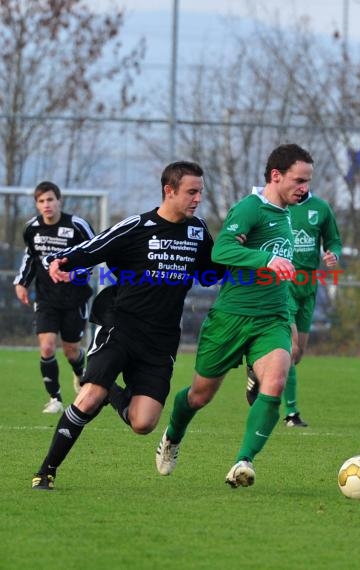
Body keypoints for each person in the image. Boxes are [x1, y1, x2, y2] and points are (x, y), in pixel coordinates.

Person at [31, 160, 224, 490]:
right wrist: (59, 262)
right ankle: (47, 470)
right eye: (191, 192)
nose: (197, 198)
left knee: (143, 423)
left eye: (200, 192)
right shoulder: (138, 226)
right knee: (89, 396)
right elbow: (94, 247)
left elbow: (211, 272)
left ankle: (111, 394)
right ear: (169, 191)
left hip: (161, 340)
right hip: (120, 325)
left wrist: (241, 253)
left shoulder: (197, 231)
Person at [155, 143, 314, 488]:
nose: (305, 188)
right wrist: (266, 260)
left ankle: (243, 461)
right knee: (200, 395)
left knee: (275, 381)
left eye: (308, 181)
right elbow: (223, 250)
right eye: (299, 180)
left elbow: (282, 274)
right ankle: (172, 435)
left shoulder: (288, 213)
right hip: (231, 318)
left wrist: (288, 316)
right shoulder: (250, 208)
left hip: (270, 319)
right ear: (276, 176)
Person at [246, 190, 342, 426]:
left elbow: (333, 241)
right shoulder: (277, 206)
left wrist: (334, 255)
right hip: (283, 283)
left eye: (304, 179)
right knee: (289, 347)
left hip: (308, 285)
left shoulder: (320, 208)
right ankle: (291, 413)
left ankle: (256, 371)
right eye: (296, 178)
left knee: (297, 355)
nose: (300, 185)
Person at [14, 181, 95, 413]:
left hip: (74, 298)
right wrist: (21, 282)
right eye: (41, 201)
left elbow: (94, 252)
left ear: (59, 200)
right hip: (46, 298)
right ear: (37, 204)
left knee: (72, 350)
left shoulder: (77, 225)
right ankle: (55, 399)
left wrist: (76, 274)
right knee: (47, 347)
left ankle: (79, 373)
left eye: (50, 199)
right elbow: (30, 257)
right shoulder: (31, 228)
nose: (46, 205)